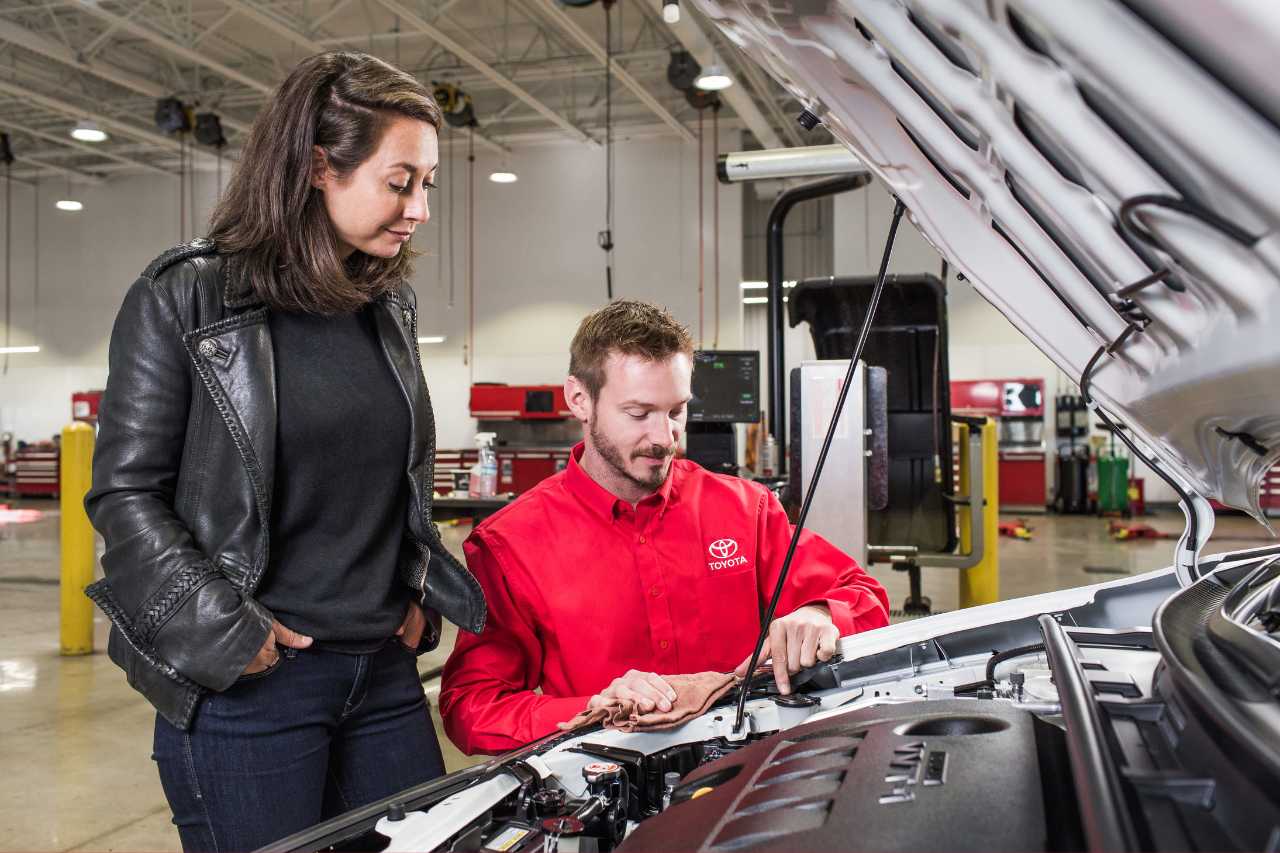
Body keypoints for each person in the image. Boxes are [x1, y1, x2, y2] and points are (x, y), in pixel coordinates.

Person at [84, 51, 485, 851]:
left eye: (428, 184)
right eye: (400, 180)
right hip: (251, 686)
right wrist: (230, 633)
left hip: (380, 674)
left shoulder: (385, 306)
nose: (420, 209)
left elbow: (388, 479)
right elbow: (124, 495)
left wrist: (410, 592)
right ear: (315, 166)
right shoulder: (185, 297)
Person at [440, 300, 888, 755]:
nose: (664, 437)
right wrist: (589, 709)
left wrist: (818, 615)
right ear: (579, 399)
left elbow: (862, 596)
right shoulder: (511, 545)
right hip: (606, 784)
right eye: (638, 414)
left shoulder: (744, 510)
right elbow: (471, 706)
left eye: (676, 411)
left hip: (750, 768)